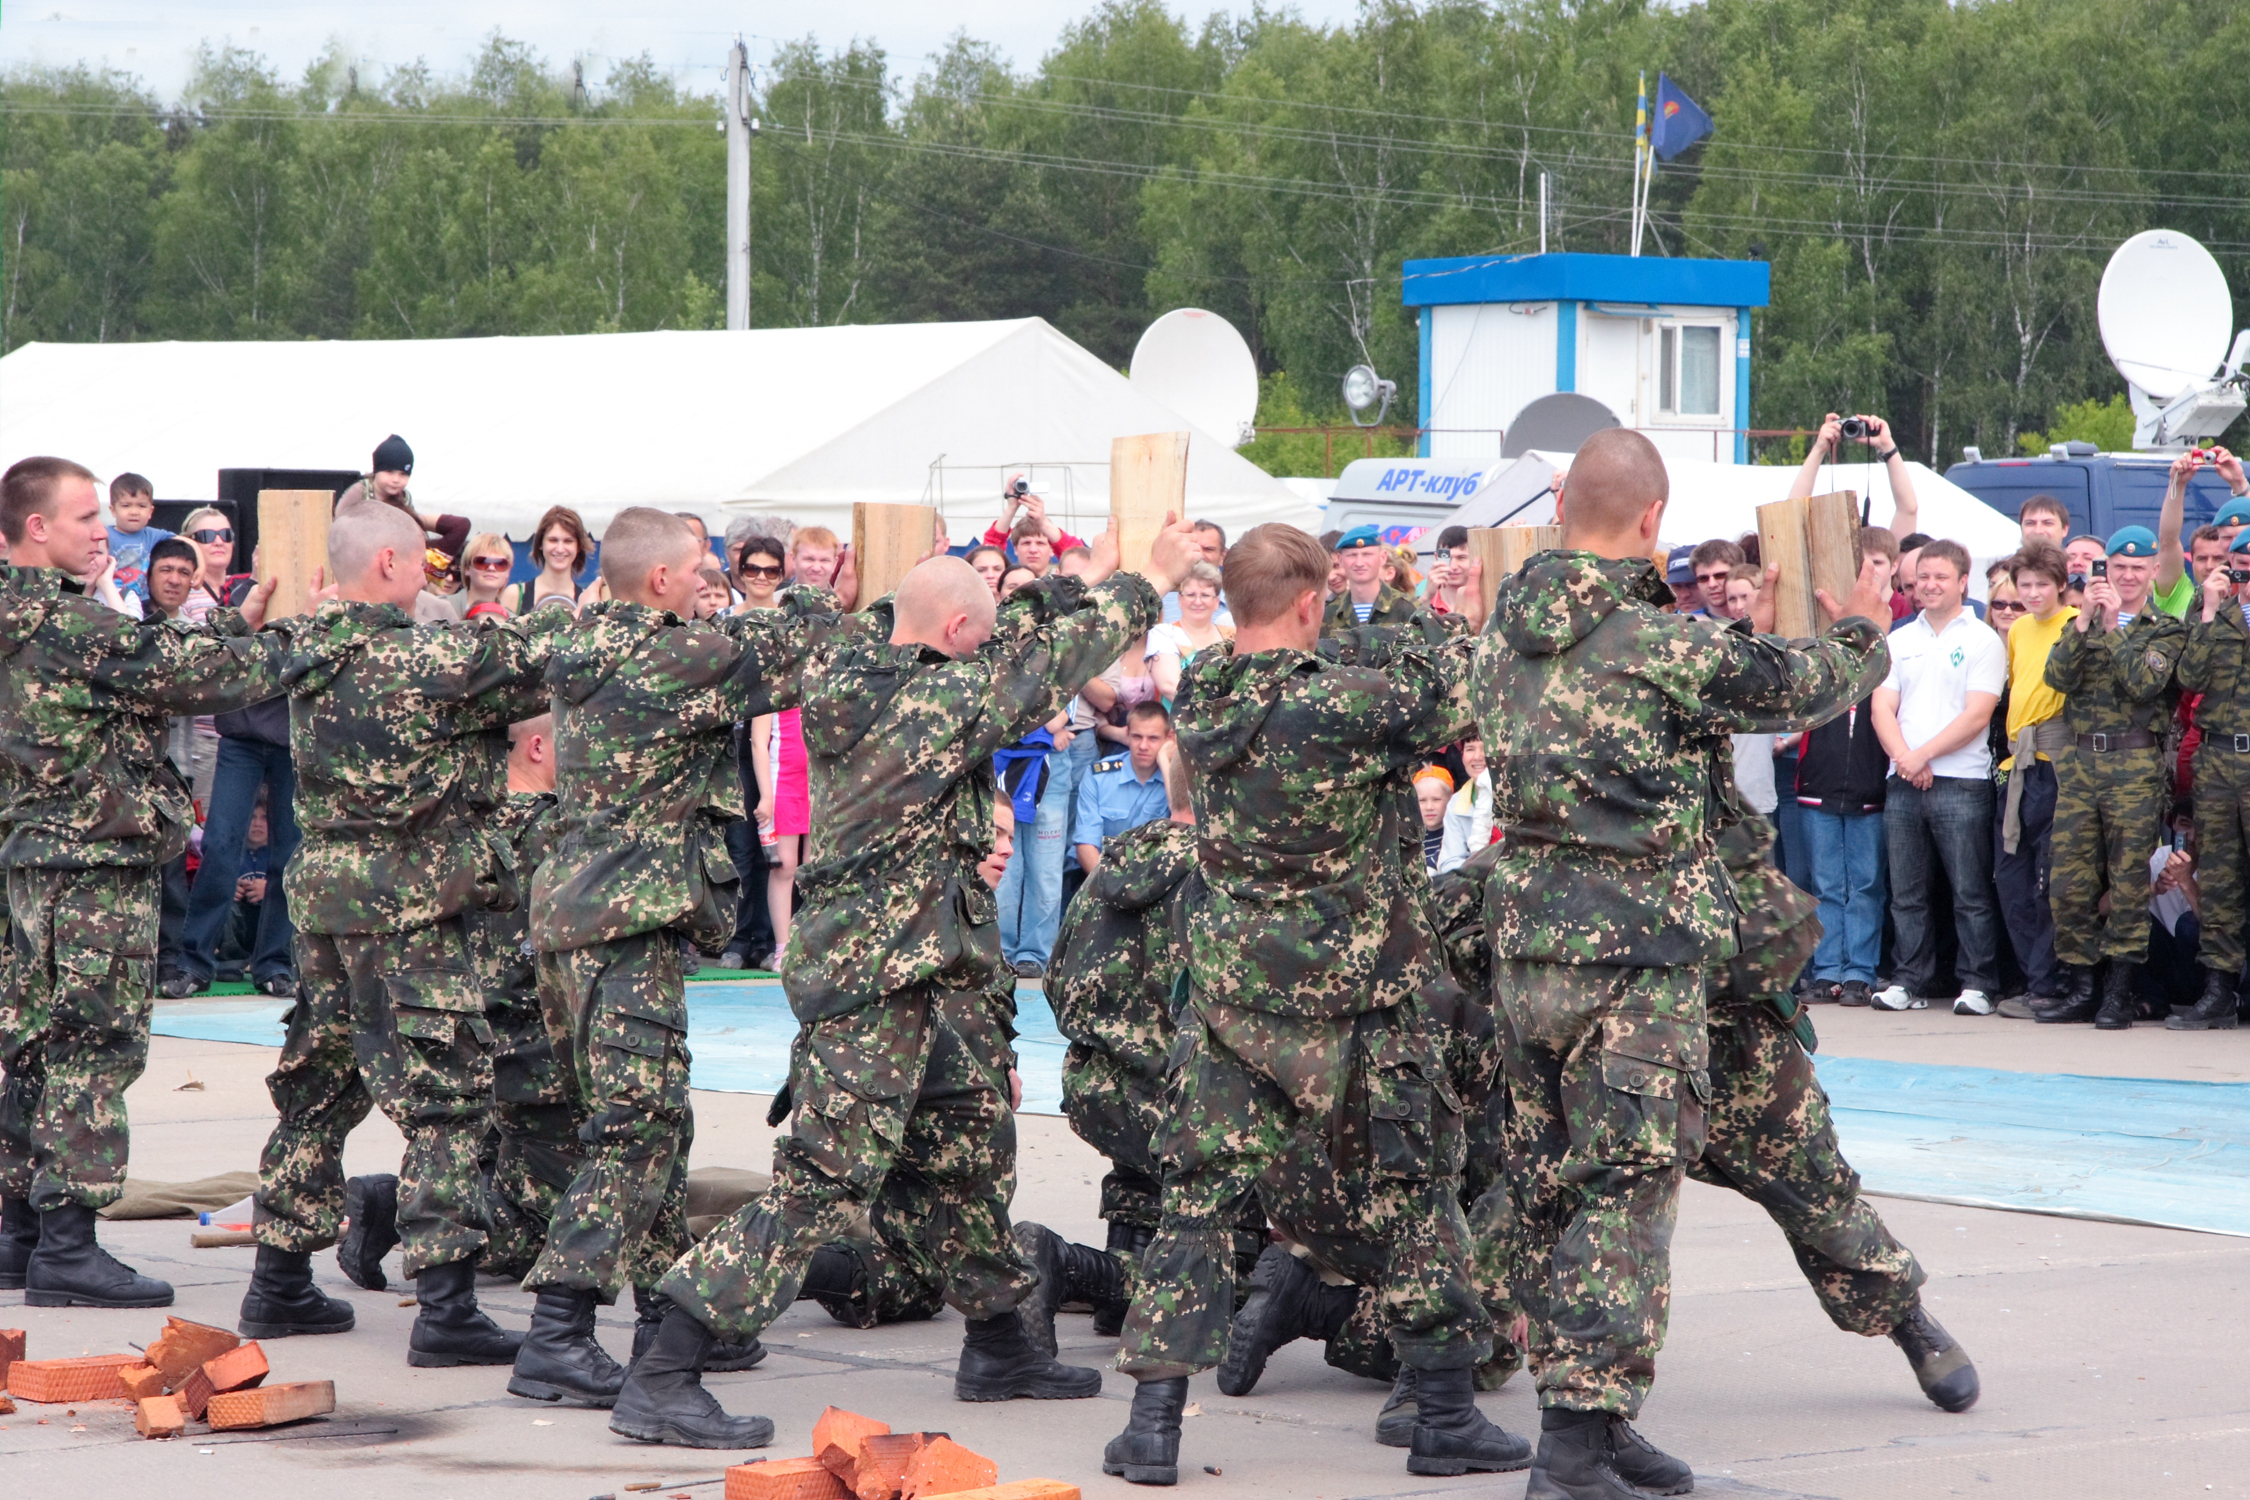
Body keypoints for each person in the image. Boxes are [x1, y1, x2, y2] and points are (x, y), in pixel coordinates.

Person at [613, 518, 1202, 1452]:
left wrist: (1069, 575)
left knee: (963, 1151)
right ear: (959, 637)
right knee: (820, 1182)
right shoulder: (931, 707)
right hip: (875, 980)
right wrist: (1142, 582)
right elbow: (1043, 666)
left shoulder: (859, 658)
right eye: (977, 631)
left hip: (925, 969)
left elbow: (989, 631)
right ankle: (668, 1366)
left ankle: (1002, 1340)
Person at [1474, 428, 1890, 1499]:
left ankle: (1596, 1425)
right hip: (1633, 955)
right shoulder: (1654, 640)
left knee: (1549, 1184)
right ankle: (1573, 1441)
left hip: (1528, 951)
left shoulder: (1500, 632)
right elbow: (1793, 684)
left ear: (1564, 511)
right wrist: (1863, 635)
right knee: (1625, 1191)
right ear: (1652, 522)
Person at [1107, 524, 1520, 1486]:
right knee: (1416, 1199)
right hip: (1357, 996)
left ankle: (1154, 1426)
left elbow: (1302, 660)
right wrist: (1452, 610)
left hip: (1237, 992)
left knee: (1198, 1205)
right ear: (1310, 604)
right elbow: (1466, 685)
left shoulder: (1203, 691)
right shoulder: (1347, 704)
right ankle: (1445, 1413)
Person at [508, 510, 831, 1408]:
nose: (712, 581)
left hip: (579, 912)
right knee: (637, 1128)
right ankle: (558, 1333)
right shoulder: (669, 657)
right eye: (701, 569)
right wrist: (810, 580)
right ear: (659, 582)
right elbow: (803, 644)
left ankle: (666, 1310)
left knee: (647, 1121)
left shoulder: (582, 641)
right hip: (625, 924)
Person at [236, 501, 567, 1358]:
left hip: (326, 898)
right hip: (409, 902)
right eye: (422, 562)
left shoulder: (303, 650)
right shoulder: (427, 659)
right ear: (387, 562)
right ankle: (448, 1308)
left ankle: (277, 1281)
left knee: (318, 1087)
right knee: (447, 1101)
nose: (433, 576)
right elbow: (554, 665)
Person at [0, 456, 289, 1310]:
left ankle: (20, 1230)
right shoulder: (61, 625)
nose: (105, 530)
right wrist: (271, 631)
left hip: (30, 863)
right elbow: (196, 676)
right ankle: (69, 1243)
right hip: (92, 864)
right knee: (93, 1045)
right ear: (37, 527)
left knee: (29, 1044)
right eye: (87, 516)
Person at [2034, 525, 2187, 1028]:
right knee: (2070, 882)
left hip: (2134, 766)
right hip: (2081, 764)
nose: (2125, 576)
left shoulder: (2164, 628)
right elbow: (2056, 678)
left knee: (2127, 882)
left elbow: (2144, 682)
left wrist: (2115, 626)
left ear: (2151, 574)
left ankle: (2119, 991)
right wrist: (2082, 623)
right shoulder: (2084, 621)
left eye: (2136, 569)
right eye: (2116, 567)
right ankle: (2082, 985)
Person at [461, 713, 587, 1283]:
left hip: (471, 1040)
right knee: (555, 1230)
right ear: (538, 747)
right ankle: (401, 1214)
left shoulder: (469, 825)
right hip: (533, 1049)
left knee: (492, 1164)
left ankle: (434, 1206)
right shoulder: (553, 830)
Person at [1868, 539, 2007, 1015]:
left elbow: (1977, 714)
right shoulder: (1899, 638)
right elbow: (1881, 707)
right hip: (1902, 780)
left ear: (1963, 582)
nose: (1929, 585)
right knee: (1906, 893)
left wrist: (1920, 755)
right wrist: (1906, 759)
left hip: (1962, 783)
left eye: (1940, 577)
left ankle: (1979, 983)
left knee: (1970, 891)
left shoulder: (1983, 639)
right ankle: (1910, 979)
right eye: (1923, 576)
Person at [1990, 545, 2077, 1018]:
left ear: (2060, 584)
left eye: (2043, 584)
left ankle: (2049, 984)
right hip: (2017, 766)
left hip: (2056, 764)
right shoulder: (2019, 628)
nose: (2033, 593)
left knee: (2050, 881)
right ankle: (2032, 978)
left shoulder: (2074, 623)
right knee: (2011, 877)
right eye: (2025, 585)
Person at [2167, 535, 2250, 1029]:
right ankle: (2218, 992)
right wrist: (2211, 611)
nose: (2243, 574)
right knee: (2219, 881)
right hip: (2218, 758)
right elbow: (2191, 678)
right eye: (2238, 565)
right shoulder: (2213, 612)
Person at [746, 539, 812, 968]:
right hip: (782, 782)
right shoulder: (772, 679)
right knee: (782, 866)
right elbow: (758, 738)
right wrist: (765, 797)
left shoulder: (824, 672)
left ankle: (813, 944)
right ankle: (784, 947)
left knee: (815, 868)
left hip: (815, 782)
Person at [337, 435, 471, 565]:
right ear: (376, 471)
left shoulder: (403, 497)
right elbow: (339, 526)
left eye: (403, 474)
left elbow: (413, 530)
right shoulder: (360, 491)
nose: (396, 480)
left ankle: (432, 569)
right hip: (361, 554)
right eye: (389, 472)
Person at [1072, 702, 1173, 875]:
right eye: (1137, 737)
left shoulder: (1176, 779)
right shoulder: (1099, 775)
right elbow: (1086, 844)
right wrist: (1110, 890)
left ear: (1169, 738)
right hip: (1100, 875)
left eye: (1153, 738)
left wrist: (1165, 763)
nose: (1143, 746)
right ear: (1127, 734)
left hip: (1153, 878)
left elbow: (1185, 824)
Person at [2153, 447, 2250, 618]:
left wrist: (2240, 483)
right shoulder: (2190, 595)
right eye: (2202, 558)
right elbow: (2168, 541)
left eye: (2217, 558)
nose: (2210, 565)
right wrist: (2177, 483)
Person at [1146, 561, 1232, 701]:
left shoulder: (1232, 635)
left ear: (1217, 601)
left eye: (1205, 595)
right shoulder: (1164, 633)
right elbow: (1169, 686)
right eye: (1191, 595)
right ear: (1180, 599)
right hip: (1179, 719)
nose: (1197, 602)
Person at [1321, 525, 1421, 634]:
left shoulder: (1409, 609)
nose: (1359, 563)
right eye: (1352, 555)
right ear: (1341, 560)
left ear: (1382, 557)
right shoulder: (1328, 613)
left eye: (1367, 555)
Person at [504, 506, 593, 615]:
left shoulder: (587, 601)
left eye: (568, 541)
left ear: (578, 546)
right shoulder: (516, 595)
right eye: (553, 540)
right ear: (541, 543)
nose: (560, 549)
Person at [106, 471, 170, 602]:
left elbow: (184, 541)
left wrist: (201, 567)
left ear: (150, 511)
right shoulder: (104, 535)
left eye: (141, 506)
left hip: (143, 601)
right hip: (110, 599)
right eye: (126, 505)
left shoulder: (152, 535)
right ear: (113, 510)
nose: (134, 512)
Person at [1437, 738, 1493, 873]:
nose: (1478, 756)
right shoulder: (1456, 803)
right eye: (1470, 749)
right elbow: (1449, 861)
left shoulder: (1516, 796)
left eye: (1485, 749)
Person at [460, 531, 517, 615]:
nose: (491, 568)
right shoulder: (441, 607)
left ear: (508, 571)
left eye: (500, 563)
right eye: (482, 562)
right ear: (467, 568)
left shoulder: (512, 621)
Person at [1687, 538, 1742, 616]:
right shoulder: (1688, 624)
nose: (1712, 585)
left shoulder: (1759, 619)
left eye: (1720, 576)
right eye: (1703, 578)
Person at [1414, 765, 1454, 872]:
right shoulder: (1411, 838)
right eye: (1422, 800)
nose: (1429, 807)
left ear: (1451, 800)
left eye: (1436, 800)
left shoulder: (1456, 833)